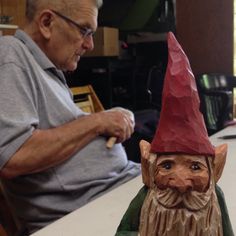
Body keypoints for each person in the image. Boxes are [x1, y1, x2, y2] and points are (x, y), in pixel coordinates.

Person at [0, 0, 140, 234]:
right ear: (46, 23)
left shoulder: (47, 69)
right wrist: (97, 121)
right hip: (96, 210)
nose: (90, 44)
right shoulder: (10, 54)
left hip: (119, 190)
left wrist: (108, 121)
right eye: (85, 30)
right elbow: (14, 156)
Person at [115, 32, 234, 236]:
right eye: (167, 165)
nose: (181, 183)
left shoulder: (215, 197)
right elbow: (122, 233)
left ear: (215, 169)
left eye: (195, 167)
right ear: (148, 168)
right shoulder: (147, 197)